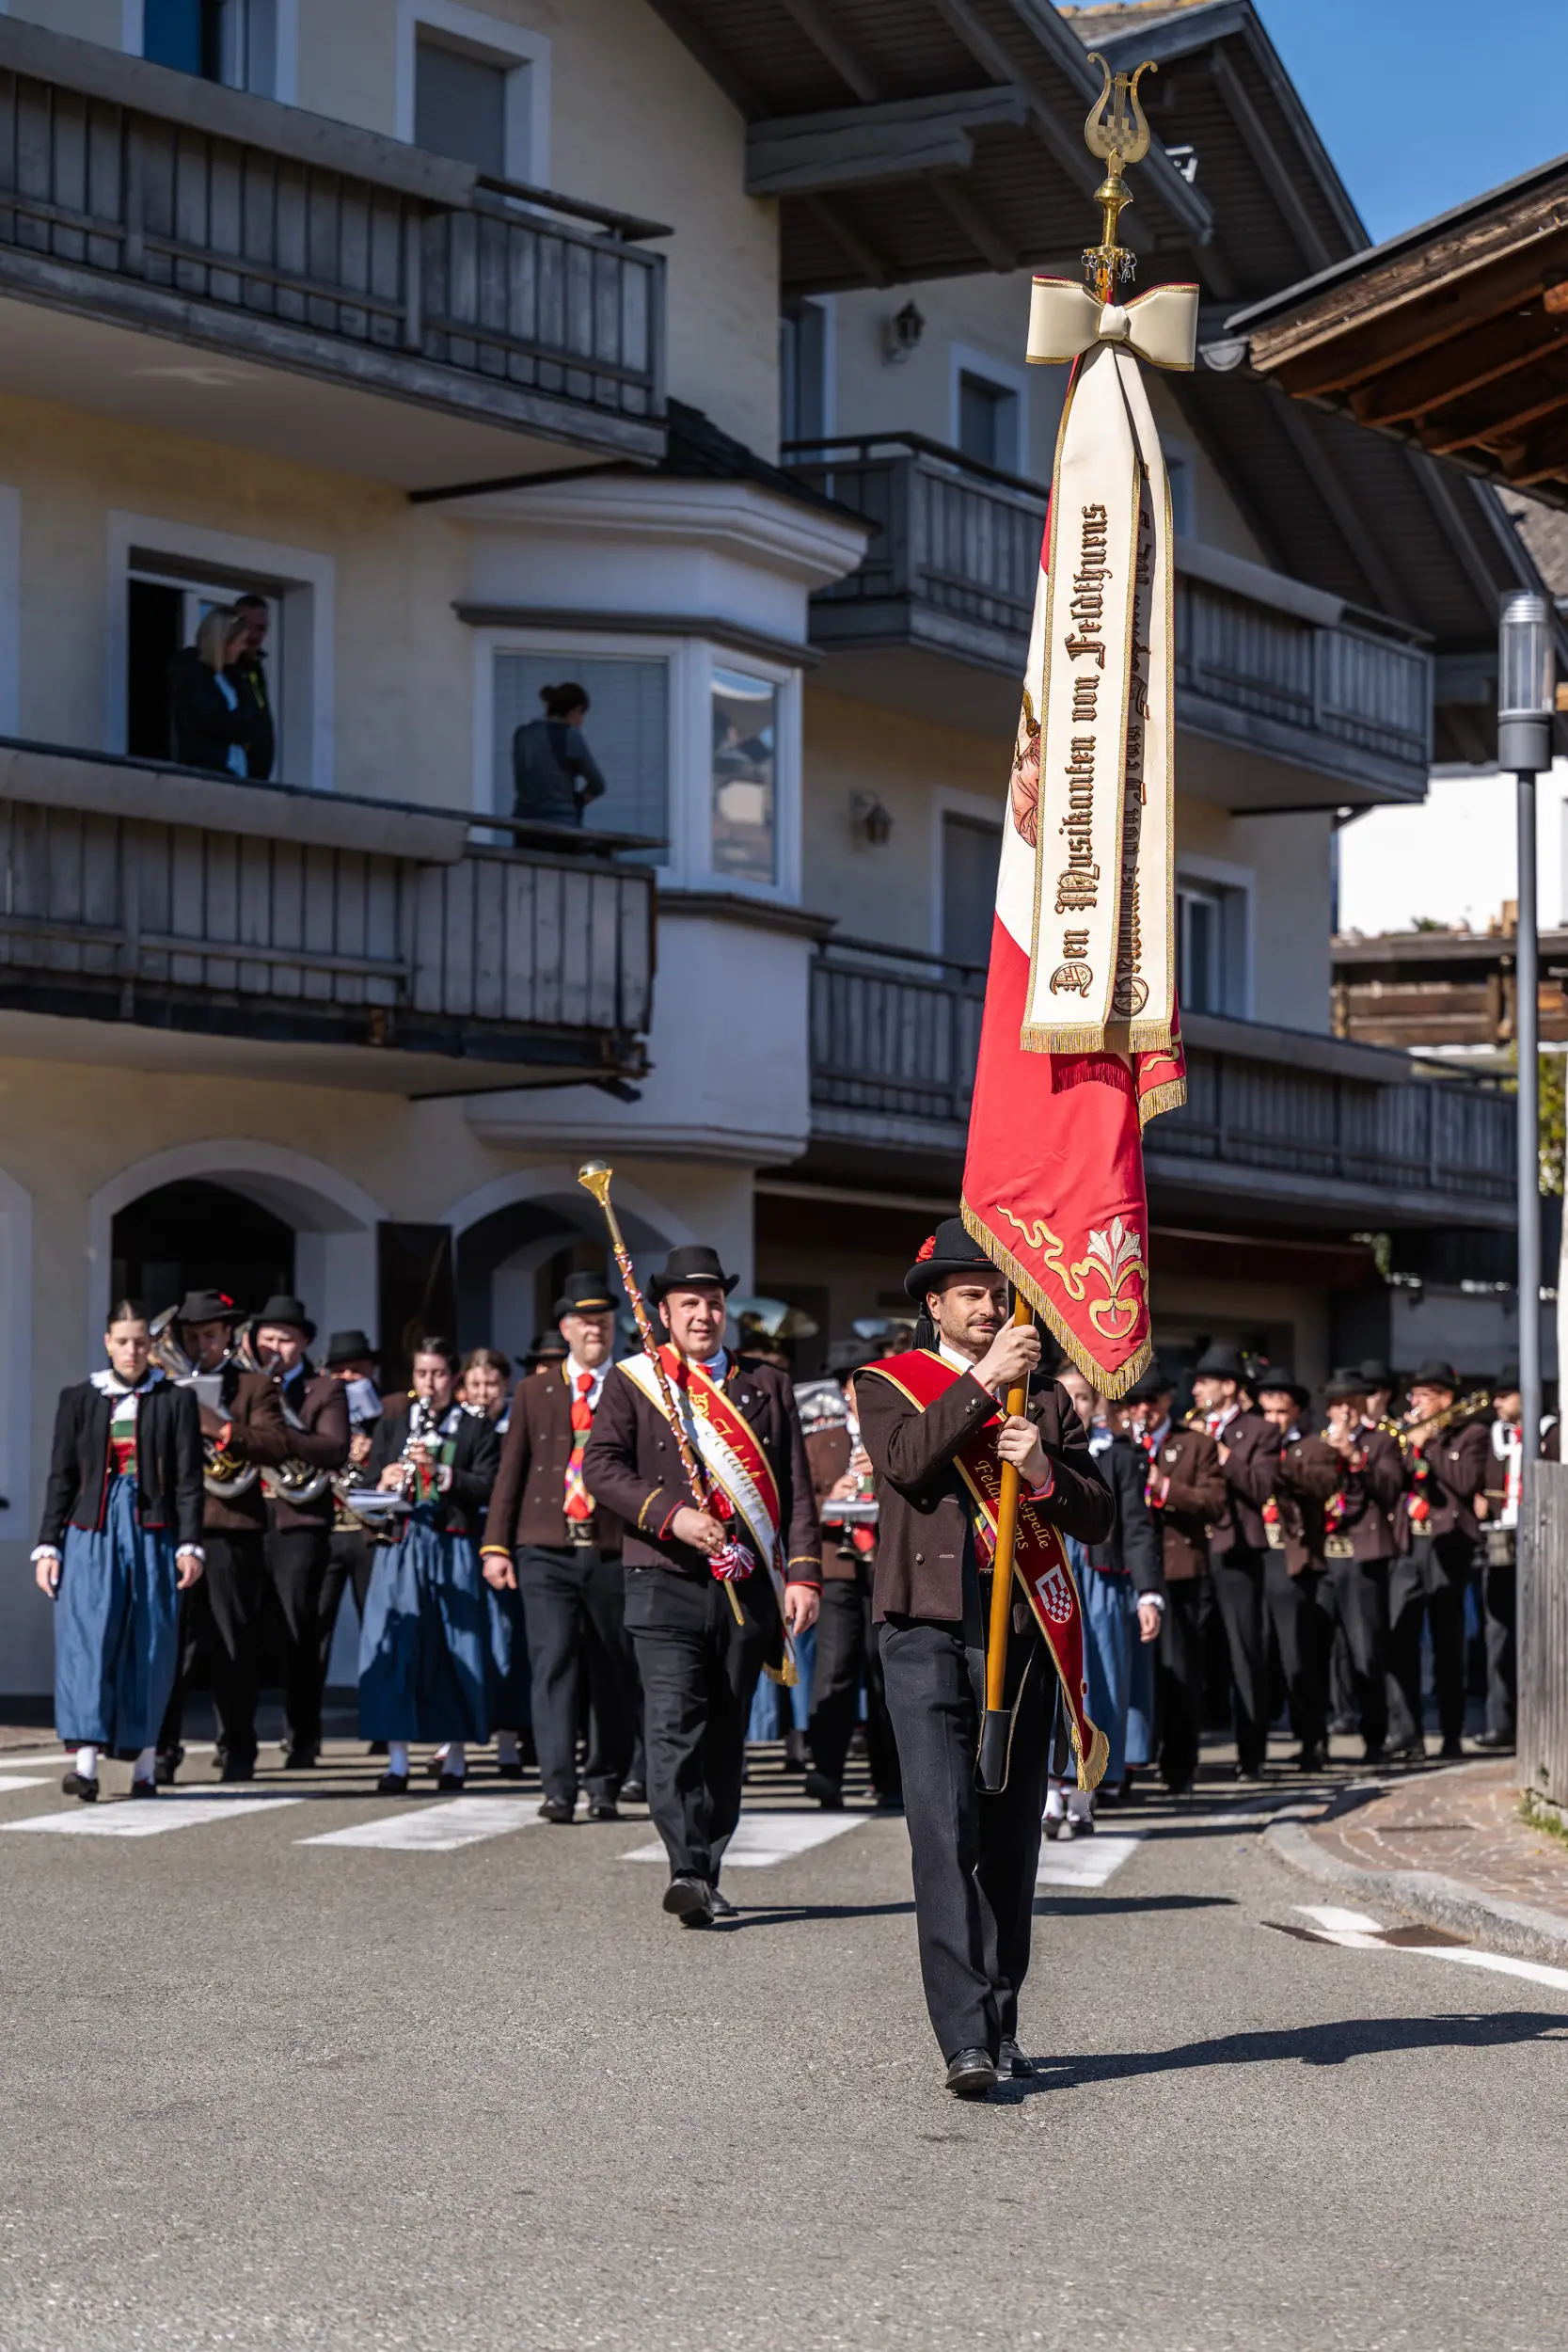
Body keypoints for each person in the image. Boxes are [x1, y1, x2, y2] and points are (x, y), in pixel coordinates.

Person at [855, 1220, 1114, 2097]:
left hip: (1021, 1632)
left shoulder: (1044, 1400)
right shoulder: (887, 1383)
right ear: (934, 1304)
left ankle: (1001, 2022)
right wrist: (982, 1383)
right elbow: (906, 1464)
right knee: (944, 1830)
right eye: (970, 1293)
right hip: (927, 1629)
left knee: (1009, 1840)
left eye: (998, 1293)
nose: (989, 1307)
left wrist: (1043, 1469)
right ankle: (961, 2036)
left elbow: (1095, 1513)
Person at [582, 1243, 822, 1928]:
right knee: (671, 1727)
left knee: (723, 1732)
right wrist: (671, 1514)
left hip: (745, 1584)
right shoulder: (635, 1380)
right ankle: (684, 1865)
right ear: (661, 1312)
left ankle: (708, 1866)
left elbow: (797, 1486)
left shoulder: (767, 1384)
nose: (703, 1313)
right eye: (688, 1302)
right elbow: (600, 1468)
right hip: (662, 1579)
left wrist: (802, 1573)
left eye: (713, 1301)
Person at [481, 1274, 640, 1821]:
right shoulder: (534, 1389)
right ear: (566, 1328)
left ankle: (604, 1784)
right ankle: (557, 1788)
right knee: (553, 1665)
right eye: (585, 1320)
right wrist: (496, 1545)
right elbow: (511, 1471)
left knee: (612, 1670)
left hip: (613, 1547)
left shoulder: (632, 1382)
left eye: (604, 1320)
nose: (595, 1329)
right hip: (544, 1546)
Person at [34, 1300, 205, 1801]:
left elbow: (189, 1481)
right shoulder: (79, 1398)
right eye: (123, 1341)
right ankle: (85, 1766)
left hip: (152, 1529)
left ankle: (146, 1764)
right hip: (91, 1527)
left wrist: (190, 1543)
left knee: (150, 1642)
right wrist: (49, 1543)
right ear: (108, 1343)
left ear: (151, 1347)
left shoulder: (175, 1401)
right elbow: (61, 1477)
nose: (132, 1350)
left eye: (141, 1341)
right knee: (86, 1639)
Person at [155, 1289, 290, 1784]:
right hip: (177, 1529)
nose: (199, 1345)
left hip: (232, 1530)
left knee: (234, 1644)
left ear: (227, 1335)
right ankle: (164, 1748)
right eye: (191, 1337)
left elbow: (277, 1445)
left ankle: (238, 1746)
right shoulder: (164, 1388)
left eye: (209, 1336)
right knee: (176, 1647)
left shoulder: (253, 1386)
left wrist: (221, 1428)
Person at [358, 1338, 500, 1794]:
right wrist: (384, 1480)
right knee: (394, 1642)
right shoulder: (392, 1427)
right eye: (422, 1374)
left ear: (453, 1377)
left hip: (452, 1543)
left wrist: (442, 1474)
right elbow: (365, 1493)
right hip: (401, 1545)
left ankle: (455, 1755)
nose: (430, 1383)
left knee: (456, 1646)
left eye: (438, 1374)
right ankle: (396, 1761)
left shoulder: (476, 1428)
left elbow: (490, 1484)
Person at [1049, 1365, 1163, 1831]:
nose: (1073, 1404)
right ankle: (1052, 1789)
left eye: (1082, 1396)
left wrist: (1148, 1593)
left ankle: (1089, 1786)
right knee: (1055, 1679)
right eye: (1065, 1395)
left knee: (1102, 1679)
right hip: (1051, 1572)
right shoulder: (1032, 1446)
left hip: (1100, 1578)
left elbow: (1136, 1526)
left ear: (1098, 1405)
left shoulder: (1119, 1456)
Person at [800, 1355, 902, 1813]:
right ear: (845, 1391)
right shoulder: (820, 1437)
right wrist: (833, 1494)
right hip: (838, 1562)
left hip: (885, 1564)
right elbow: (800, 1495)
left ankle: (892, 1778)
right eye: (862, 1388)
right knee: (835, 1668)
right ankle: (826, 1773)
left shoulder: (897, 1430)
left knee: (888, 1671)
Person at [251, 1296, 349, 1770]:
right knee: (242, 1630)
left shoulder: (324, 1389)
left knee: (298, 1632)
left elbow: (332, 1448)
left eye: (285, 1340)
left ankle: (303, 1736)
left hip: (300, 1523)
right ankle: (238, 1738)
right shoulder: (244, 1383)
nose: (274, 1348)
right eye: (267, 1338)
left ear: (304, 1343)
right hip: (250, 1517)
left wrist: (275, 1435)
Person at [1129, 1362, 1227, 1797]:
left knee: (1179, 1672)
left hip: (1179, 1572)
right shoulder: (1116, 1442)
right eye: (1134, 1401)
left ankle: (1180, 1766)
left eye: (1151, 1399)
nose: (1143, 1408)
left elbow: (1214, 1504)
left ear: (1168, 1400)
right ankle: (1125, 1767)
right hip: (1127, 1572)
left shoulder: (1195, 1444)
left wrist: (1164, 1487)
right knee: (1130, 1674)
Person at [1189, 1344, 1280, 1780]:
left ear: (1228, 1387)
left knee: (1245, 1651)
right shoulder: (1189, 1427)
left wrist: (1220, 1453)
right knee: (1190, 1651)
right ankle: (1185, 1756)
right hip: (1193, 1552)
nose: (1196, 1389)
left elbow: (1262, 1488)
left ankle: (1251, 1754)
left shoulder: (1259, 1431)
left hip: (1238, 1552)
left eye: (1204, 1382)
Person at [1392, 1359, 1489, 1761]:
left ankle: (1451, 1734)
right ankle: (1407, 1734)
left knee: (1449, 1646)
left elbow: (1466, 1482)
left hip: (1448, 1546)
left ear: (1446, 1400)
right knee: (1401, 1642)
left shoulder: (1472, 1434)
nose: (1415, 1403)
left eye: (1424, 1396)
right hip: (1408, 1547)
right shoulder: (1405, 1434)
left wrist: (1429, 1444)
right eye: (1413, 1395)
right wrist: (1407, 1443)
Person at [1319, 1369, 1403, 1765]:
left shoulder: (1382, 1442)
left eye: (1347, 1404)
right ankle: (1332, 1723)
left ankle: (1374, 1737)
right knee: (1327, 1648)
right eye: (1335, 1404)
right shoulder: (1318, 1442)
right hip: (1326, 1553)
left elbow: (1389, 1490)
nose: (1341, 1411)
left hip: (1362, 1552)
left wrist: (1354, 1455)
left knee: (1366, 1647)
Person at [1257, 1372, 1338, 1772]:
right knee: (1262, 1655)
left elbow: (1324, 1485)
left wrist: (1278, 1466)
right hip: (1259, 1556)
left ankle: (1312, 1742)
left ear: (1299, 1413)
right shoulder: (1252, 1444)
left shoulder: (1312, 1447)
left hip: (1294, 1564)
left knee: (1298, 1658)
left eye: (1281, 1412)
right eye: (1266, 1411)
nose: (1272, 1420)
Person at [459, 1346, 530, 1780]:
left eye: (491, 1385)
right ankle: (457, 1736)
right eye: (475, 1385)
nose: (483, 1394)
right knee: (464, 1642)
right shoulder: (454, 1427)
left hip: (506, 1543)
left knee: (506, 1641)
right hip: (461, 1542)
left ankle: (508, 1737)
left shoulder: (515, 1426)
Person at [313, 1330, 383, 1708]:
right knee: (315, 1626)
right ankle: (305, 1728)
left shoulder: (389, 1413)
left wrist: (375, 1451)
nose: (350, 1379)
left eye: (357, 1371)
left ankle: (381, 1721)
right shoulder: (318, 1409)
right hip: (327, 1530)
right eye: (340, 1372)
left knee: (378, 1625)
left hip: (370, 1532)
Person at [1478, 1365, 1525, 1753]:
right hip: (1500, 1537)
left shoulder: (1551, 1433)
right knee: (1498, 1631)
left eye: (1504, 1395)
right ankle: (1500, 1720)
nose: (1496, 1402)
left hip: (1539, 1539)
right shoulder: (1492, 1438)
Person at [168, 606, 261, 777]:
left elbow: (253, 724)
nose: (242, 649)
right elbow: (218, 724)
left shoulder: (232, 676)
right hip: (207, 775)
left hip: (236, 774)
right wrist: (244, 720)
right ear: (223, 642)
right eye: (240, 642)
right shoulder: (193, 677)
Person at [511, 683, 608, 830]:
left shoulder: (522, 735)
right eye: (582, 715)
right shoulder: (569, 735)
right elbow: (597, 784)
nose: (582, 722)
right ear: (575, 710)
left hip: (524, 824)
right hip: (560, 825)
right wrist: (578, 801)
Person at [229, 593, 276, 781]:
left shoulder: (255, 669)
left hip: (256, 780)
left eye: (261, 628)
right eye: (248, 627)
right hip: (229, 777)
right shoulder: (222, 669)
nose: (255, 635)